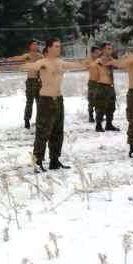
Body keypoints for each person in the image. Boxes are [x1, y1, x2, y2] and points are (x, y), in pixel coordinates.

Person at [19, 38, 87, 170]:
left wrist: (85, 64)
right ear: (49, 48)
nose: (59, 49)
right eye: (56, 46)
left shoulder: (60, 62)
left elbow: (74, 65)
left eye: (59, 46)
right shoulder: (43, 62)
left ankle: (54, 160)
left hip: (59, 100)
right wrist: (27, 65)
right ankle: (37, 162)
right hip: (46, 100)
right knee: (42, 133)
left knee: (57, 132)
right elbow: (29, 66)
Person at [4, 40, 43, 129]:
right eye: (33, 44)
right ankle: (27, 120)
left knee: (40, 102)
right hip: (31, 81)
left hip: (40, 81)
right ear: (30, 46)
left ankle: (40, 120)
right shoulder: (27, 56)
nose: (35, 46)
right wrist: (8, 59)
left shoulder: (40, 56)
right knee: (29, 102)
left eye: (36, 45)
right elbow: (18, 58)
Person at [95, 43, 120, 131]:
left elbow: (119, 65)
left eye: (111, 49)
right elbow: (101, 64)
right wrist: (109, 63)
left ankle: (109, 124)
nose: (110, 50)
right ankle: (98, 125)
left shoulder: (112, 60)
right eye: (108, 49)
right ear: (103, 50)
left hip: (110, 86)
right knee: (101, 107)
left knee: (111, 106)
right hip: (102, 86)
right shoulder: (99, 60)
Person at [86, 46, 102, 124]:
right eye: (96, 52)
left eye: (99, 52)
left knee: (99, 100)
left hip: (100, 82)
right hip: (92, 82)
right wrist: (96, 62)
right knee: (91, 100)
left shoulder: (100, 60)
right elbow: (88, 66)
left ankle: (99, 116)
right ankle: (91, 116)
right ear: (92, 53)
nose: (98, 54)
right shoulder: (89, 60)